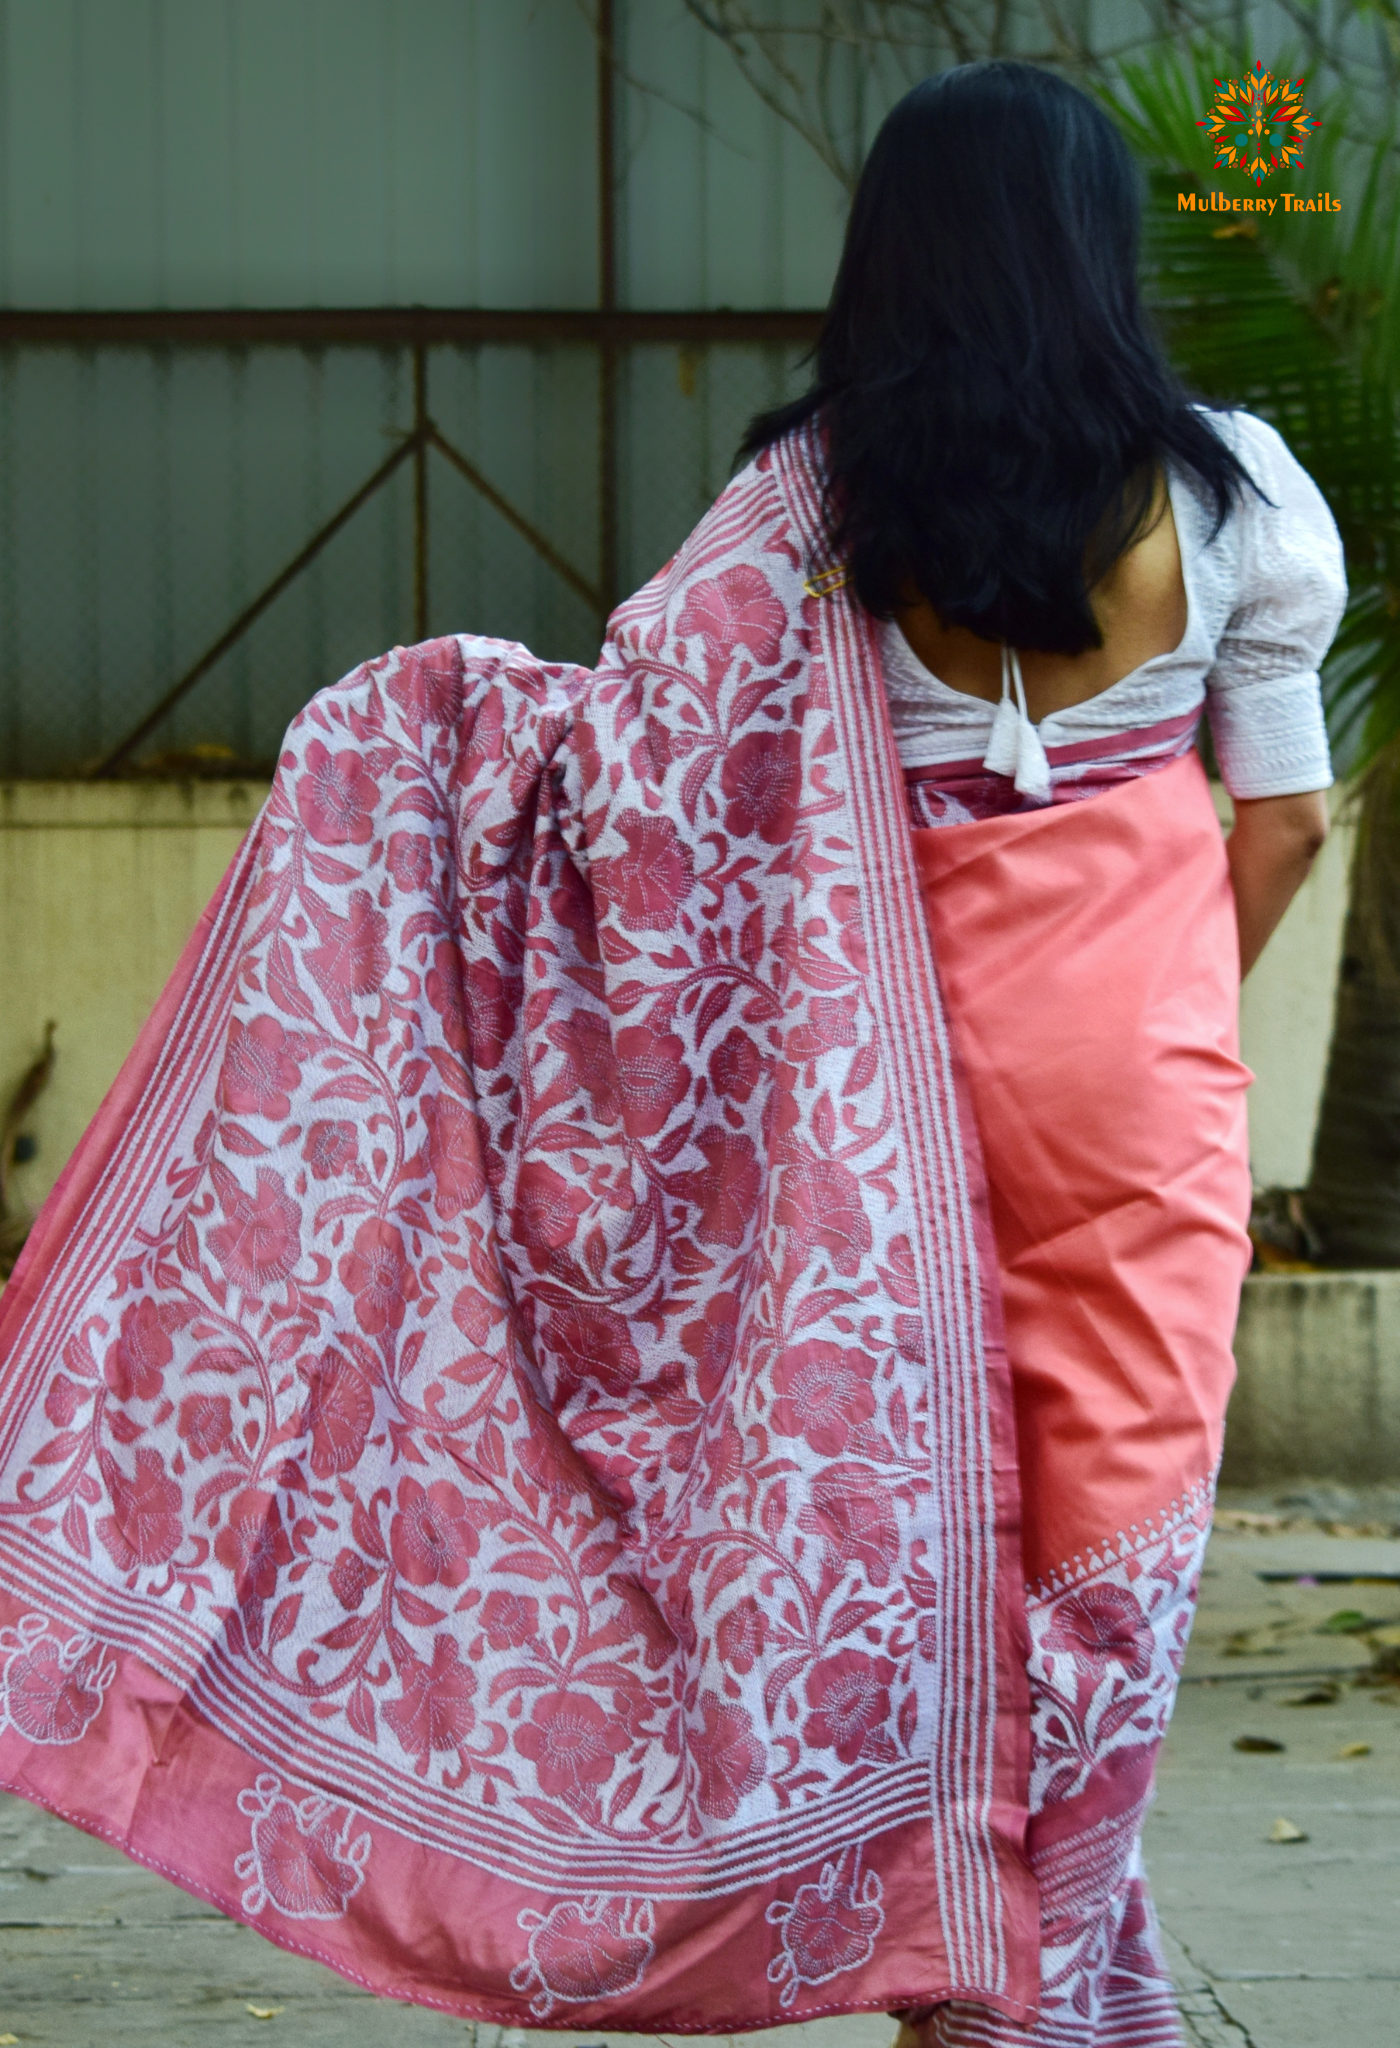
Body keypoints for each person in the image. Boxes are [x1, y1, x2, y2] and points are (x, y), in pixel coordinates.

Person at [0, 61, 1341, 2048]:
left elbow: (629, 781)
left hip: (850, 1131)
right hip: (1136, 1099)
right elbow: (1287, 817)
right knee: (1103, 1553)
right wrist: (1154, 1009)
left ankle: (981, 1977)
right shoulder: (1232, 494)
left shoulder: (809, 504)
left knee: (915, 1562)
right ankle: (1027, 1993)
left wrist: (431, 724)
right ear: (1101, 250)